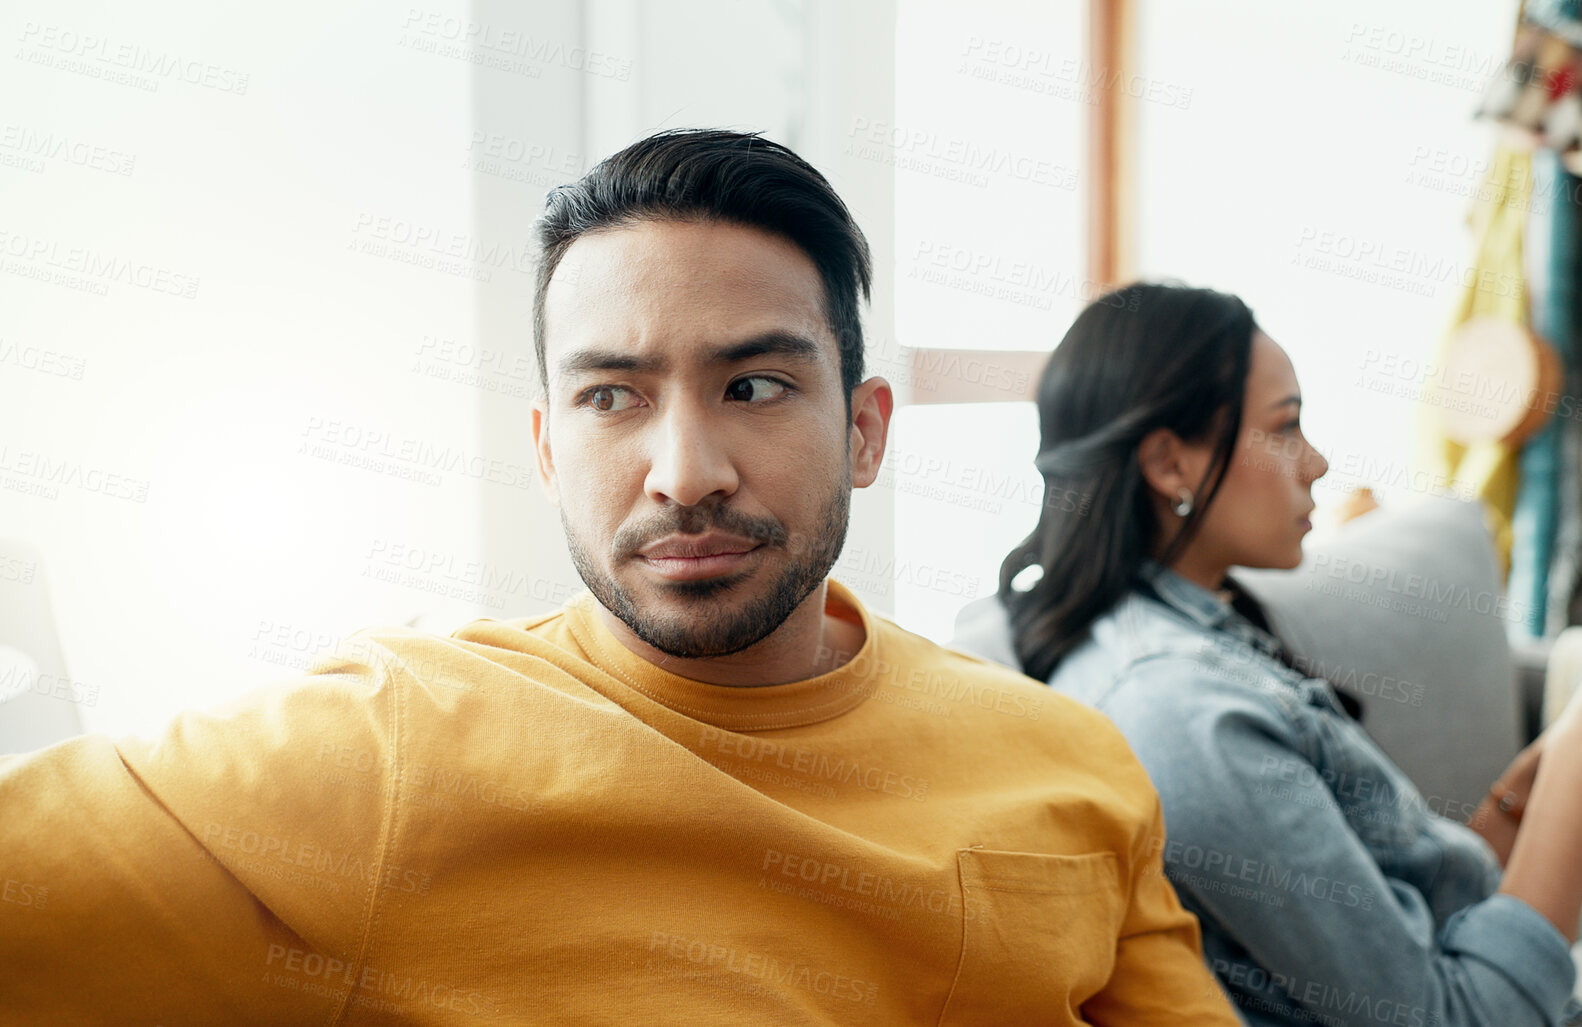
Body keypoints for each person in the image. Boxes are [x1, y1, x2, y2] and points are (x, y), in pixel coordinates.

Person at [0, 131, 1241, 1025]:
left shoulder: (1072, 761)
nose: (685, 471)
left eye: (754, 385)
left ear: (865, 430)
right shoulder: (392, 747)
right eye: (612, 397)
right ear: (548, 447)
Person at [1002, 281, 1582, 1027]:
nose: (1316, 460)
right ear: (1168, 461)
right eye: (1285, 425)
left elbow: (1402, 902)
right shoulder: (1182, 714)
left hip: (1492, 970)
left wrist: (1537, 778)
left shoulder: (1194, 630)